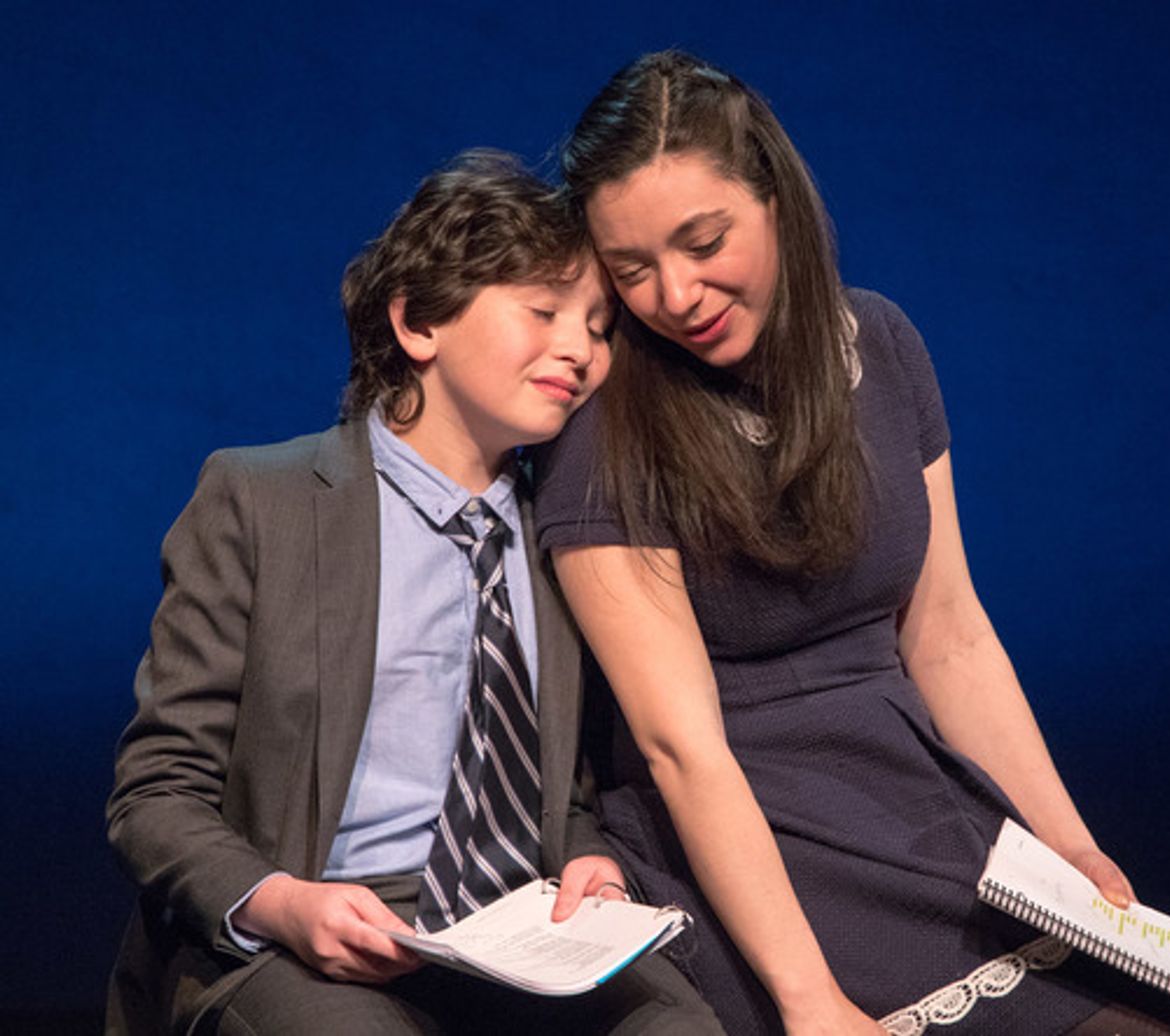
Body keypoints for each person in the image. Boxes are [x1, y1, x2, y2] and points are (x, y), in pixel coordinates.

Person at [534, 52, 1170, 1035]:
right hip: (750, 840)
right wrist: (808, 997)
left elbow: (947, 635)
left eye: (702, 241)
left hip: (911, 800)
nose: (674, 295)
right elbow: (676, 745)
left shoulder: (882, 342)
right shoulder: (604, 424)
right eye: (632, 270)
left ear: (771, 196)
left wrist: (1067, 846)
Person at [105, 150, 722, 1036]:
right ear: (418, 322)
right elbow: (156, 791)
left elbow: (565, 787)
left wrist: (592, 861)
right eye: (545, 311)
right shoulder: (262, 499)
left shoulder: (566, 527)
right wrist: (281, 904)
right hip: (321, 928)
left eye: (597, 326)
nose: (580, 350)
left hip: (520, 927)